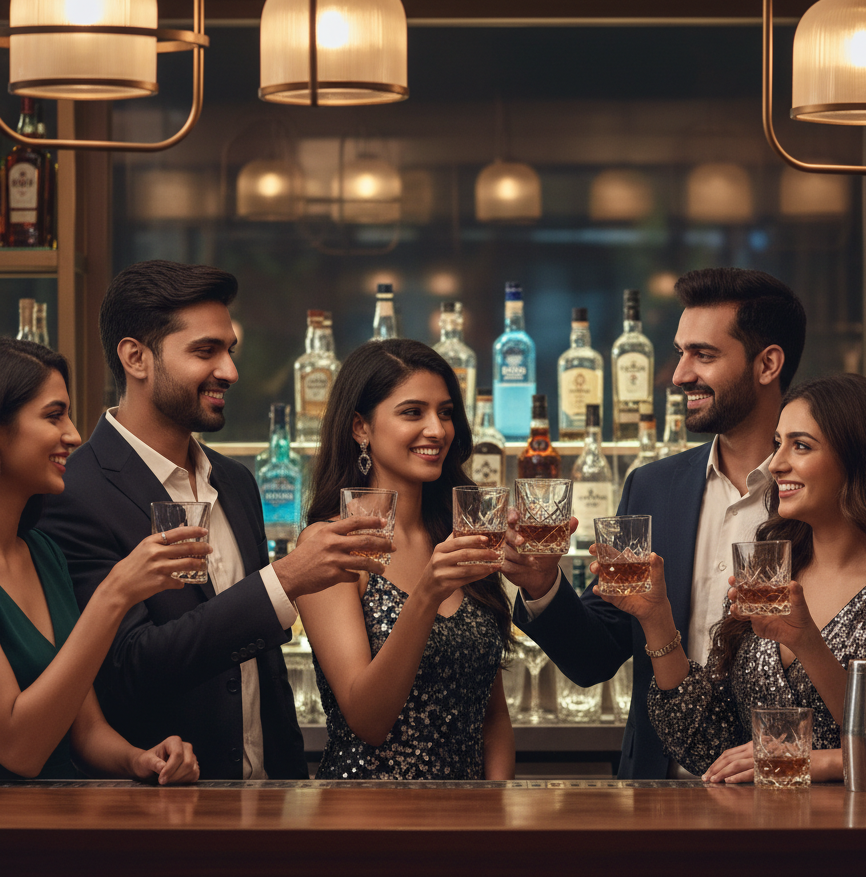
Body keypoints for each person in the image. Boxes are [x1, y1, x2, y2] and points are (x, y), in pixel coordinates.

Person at [37, 260, 391, 779]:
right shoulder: (74, 491)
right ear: (136, 357)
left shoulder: (237, 481)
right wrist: (287, 578)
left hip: (267, 806)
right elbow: (126, 669)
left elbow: (264, 671)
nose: (230, 371)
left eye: (230, 351)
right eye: (206, 351)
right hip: (158, 816)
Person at [504, 267, 806, 778]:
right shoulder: (653, 487)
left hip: (785, 792)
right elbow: (593, 660)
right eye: (681, 351)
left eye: (703, 355)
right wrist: (542, 586)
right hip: (659, 793)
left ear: (767, 364)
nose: (679, 374)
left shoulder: (817, 492)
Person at [631, 374, 866, 782]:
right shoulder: (770, 576)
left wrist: (807, 644)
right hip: (755, 831)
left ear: (861, 458)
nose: (778, 463)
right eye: (777, 444)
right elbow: (710, 745)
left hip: (859, 834)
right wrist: (656, 618)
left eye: (800, 446)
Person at [297, 339, 514, 780]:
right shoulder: (334, 543)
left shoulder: (462, 536)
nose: (437, 429)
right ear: (361, 427)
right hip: (370, 825)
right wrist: (428, 593)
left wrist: (497, 819)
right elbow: (367, 719)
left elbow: (493, 720)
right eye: (413, 412)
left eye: (446, 412)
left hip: (471, 825)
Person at [0, 338, 200, 782]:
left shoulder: (42, 553)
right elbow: (19, 749)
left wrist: (139, 758)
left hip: (58, 833)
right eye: (54, 415)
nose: (73, 434)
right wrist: (116, 591)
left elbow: (85, 730)